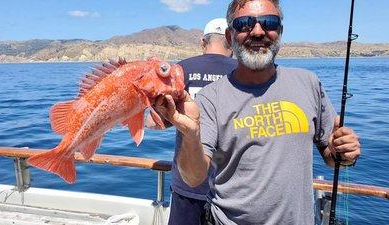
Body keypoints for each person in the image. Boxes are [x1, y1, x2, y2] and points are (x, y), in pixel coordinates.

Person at [151, 0, 361, 224]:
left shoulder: (308, 83)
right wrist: (190, 134)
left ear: (279, 31)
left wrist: (343, 151)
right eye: (244, 24)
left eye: (269, 23)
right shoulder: (210, 98)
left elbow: (331, 155)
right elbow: (193, 178)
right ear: (231, 37)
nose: (258, 31)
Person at [147, 18, 237, 225]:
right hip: (233, 189)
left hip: (188, 185)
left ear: (203, 42)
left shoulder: (181, 70)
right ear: (231, 41)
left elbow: (152, 123)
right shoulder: (245, 73)